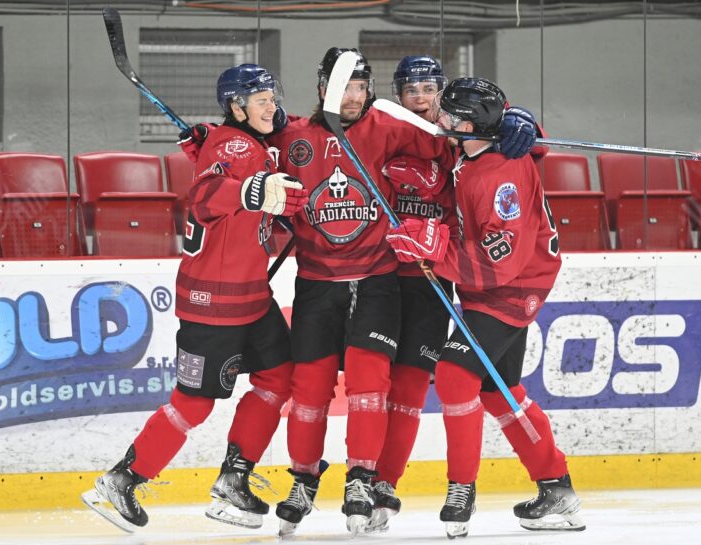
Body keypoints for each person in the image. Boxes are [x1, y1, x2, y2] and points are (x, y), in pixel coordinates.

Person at [81, 64, 308, 533]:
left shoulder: (237, 142)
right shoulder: (233, 144)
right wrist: (250, 187)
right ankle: (122, 479)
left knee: (278, 377)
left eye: (272, 96)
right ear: (236, 105)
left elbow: (246, 183)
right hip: (214, 301)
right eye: (260, 98)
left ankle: (233, 480)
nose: (272, 105)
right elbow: (204, 198)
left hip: (250, 296)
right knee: (194, 402)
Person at [385, 77, 584, 538]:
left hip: (513, 287)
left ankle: (462, 490)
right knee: (499, 391)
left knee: (455, 373)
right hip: (490, 287)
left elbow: (501, 266)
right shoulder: (473, 151)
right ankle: (557, 489)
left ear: (469, 124)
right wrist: (523, 117)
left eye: (447, 112)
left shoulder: (501, 178)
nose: (438, 114)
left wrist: (432, 250)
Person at [267, 46, 453, 537]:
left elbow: (455, 142)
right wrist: (202, 142)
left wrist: (523, 132)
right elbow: (244, 147)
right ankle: (304, 479)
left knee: (371, 387)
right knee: (307, 391)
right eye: (341, 87)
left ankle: (361, 478)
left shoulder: (389, 128)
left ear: (369, 89)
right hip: (314, 285)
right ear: (323, 88)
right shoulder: (297, 138)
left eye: (358, 87)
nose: (351, 97)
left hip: (376, 282)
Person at [371, 56, 539, 532]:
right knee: (370, 386)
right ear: (398, 96)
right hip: (381, 273)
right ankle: (369, 478)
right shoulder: (386, 128)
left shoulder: (458, 141)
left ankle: (390, 484)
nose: (422, 99)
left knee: (421, 386)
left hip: (436, 276)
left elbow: (517, 155)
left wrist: (522, 119)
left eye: (430, 89)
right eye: (411, 90)